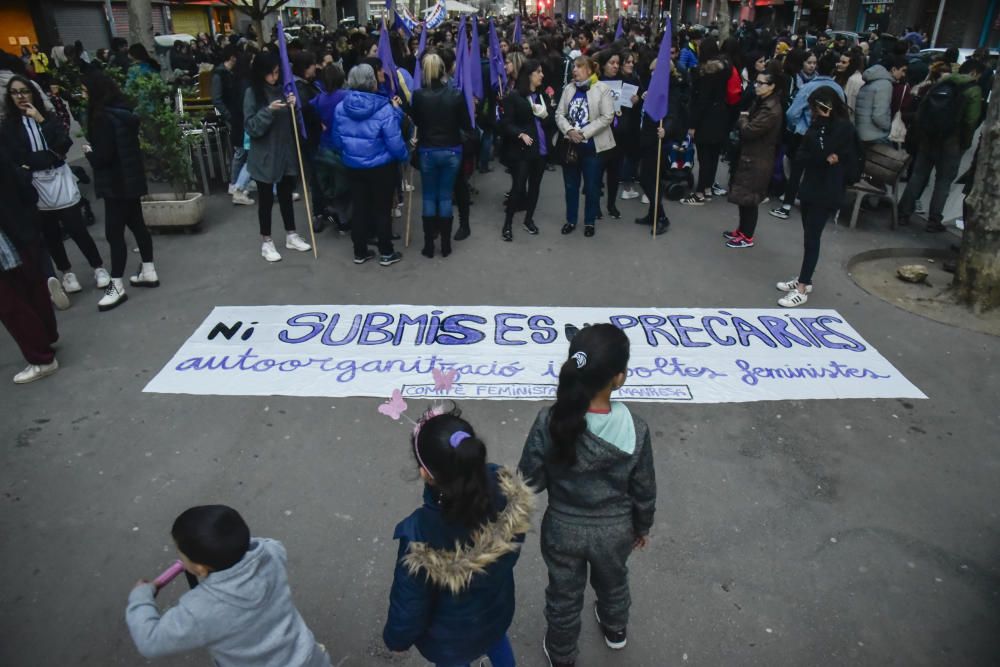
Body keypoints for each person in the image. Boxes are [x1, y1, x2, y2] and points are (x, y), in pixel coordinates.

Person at [518, 323, 656, 667]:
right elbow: (644, 488)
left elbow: (529, 479)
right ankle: (615, 630)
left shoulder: (549, 420)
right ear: (619, 377)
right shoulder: (635, 429)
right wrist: (642, 526)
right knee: (614, 582)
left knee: (563, 595)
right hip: (616, 532)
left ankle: (562, 654)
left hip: (562, 529)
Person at [382, 407, 533, 667]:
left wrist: (396, 640)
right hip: (495, 614)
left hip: (449, 639)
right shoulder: (506, 491)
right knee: (497, 644)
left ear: (425, 473)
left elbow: (410, 604)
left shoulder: (420, 534)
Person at [126, 505, 331, 666]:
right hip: (309, 658)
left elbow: (150, 640)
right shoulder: (271, 554)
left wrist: (141, 597)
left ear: (200, 569)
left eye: (181, 554)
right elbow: (265, 544)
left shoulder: (200, 610)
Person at [1, 76, 108, 298]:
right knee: (51, 233)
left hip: (59, 177)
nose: (21, 96)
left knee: (77, 227)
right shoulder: (9, 126)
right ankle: (66, 272)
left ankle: (98, 267)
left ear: (33, 93)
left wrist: (40, 120)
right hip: (34, 183)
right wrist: (31, 163)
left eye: (25, 91)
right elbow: (13, 156)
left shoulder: (48, 118)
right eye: (15, 92)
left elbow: (63, 143)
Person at [81, 70, 157, 312]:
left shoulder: (102, 118)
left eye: (84, 91)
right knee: (137, 226)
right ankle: (148, 270)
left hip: (116, 185)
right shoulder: (123, 114)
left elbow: (103, 157)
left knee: (115, 235)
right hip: (131, 181)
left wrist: (89, 153)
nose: (82, 95)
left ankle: (116, 286)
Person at [776, 87, 855, 307]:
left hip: (828, 189)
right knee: (808, 234)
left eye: (815, 108)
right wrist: (821, 157)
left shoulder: (843, 128)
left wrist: (820, 154)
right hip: (810, 185)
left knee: (813, 237)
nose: (812, 112)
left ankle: (802, 287)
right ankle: (804, 278)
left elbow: (828, 152)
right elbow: (802, 155)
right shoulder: (816, 126)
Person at [331, 64, 408, 266]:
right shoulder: (384, 108)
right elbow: (394, 141)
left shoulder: (340, 108)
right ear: (372, 82)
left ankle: (360, 251)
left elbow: (337, 141)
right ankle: (386, 252)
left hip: (353, 165)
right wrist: (404, 156)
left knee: (359, 208)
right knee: (382, 209)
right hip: (381, 166)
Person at [898, 60, 985, 233]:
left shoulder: (943, 82)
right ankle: (933, 220)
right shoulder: (973, 91)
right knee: (943, 182)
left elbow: (923, 108)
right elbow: (970, 120)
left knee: (918, 176)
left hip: (929, 138)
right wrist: (965, 143)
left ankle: (903, 213)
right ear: (974, 73)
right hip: (952, 142)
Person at [0, 143, 60, 384]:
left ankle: (41, 357)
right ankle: (46, 338)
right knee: (30, 287)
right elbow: (23, 183)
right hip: (20, 228)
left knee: (10, 301)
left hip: (9, 234)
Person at [244, 52, 312, 263]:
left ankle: (291, 234)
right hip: (264, 156)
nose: (275, 77)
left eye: (277, 73)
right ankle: (267, 241)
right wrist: (268, 111)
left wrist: (294, 106)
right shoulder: (252, 94)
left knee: (286, 196)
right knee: (265, 200)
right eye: (271, 74)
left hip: (286, 153)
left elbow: (295, 124)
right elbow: (251, 127)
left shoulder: (284, 90)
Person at [768, 52, 844, 221]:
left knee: (797, 170)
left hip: (806, 134)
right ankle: (814, 205)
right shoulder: (838, 89)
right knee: (819, 170)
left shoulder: (808, 88)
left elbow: (793, 112)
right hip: (828, 135)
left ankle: (786, 206)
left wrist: (797, 126)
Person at [411, 52, 471, 257]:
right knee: (445, 197)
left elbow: (417, 121)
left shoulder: (418, 96)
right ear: (443, 71)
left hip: (428, 150)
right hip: (452, 150)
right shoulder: (456, 95)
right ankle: (445, 245)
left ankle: (429, 246)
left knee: (429, 196)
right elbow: (465, 124)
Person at [724, 66, 784, 249]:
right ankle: (742, 230)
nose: (756, 86)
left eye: (761, 83)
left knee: (750, 199)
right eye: (756, 82)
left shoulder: (771, 109)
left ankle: (747, 235)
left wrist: (743, 118)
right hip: (751, 155)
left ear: (772, 86)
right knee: (744, 197)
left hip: (758, 158)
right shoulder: (761, 102)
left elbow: (749, 131)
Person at [555, 56, 615, 237]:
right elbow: (559, 114)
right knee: (571, 186)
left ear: (589, 70)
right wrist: (570, 131)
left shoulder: (602, 89)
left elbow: (607, 116)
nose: (575, 70)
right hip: (571, 147)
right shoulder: (569, 89)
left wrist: (583, 133)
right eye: (574, 67)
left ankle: (589, 222)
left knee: (591, 187)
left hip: (593, 149)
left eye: (579, 67)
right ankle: (570, 220)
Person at [498, 58, 554, 242]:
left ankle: (528, 219)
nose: (542, 75)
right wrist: (519, 134)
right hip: (522, 150)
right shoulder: (514, 96)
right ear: (529, 75)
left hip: (541, 150)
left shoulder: (543, 96)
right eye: (538, 72)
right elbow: (506, 124)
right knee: (518, 187)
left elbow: (550, 123)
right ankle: (507, 223)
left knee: (535, 187)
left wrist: (546, 116)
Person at [680, 37, 730, 205]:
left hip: (705, 120)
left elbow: (701, 101)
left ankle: (700, 192)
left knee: (704, 157)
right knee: (714, 156)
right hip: (721, 117)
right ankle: (707, 188)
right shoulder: (724, 70)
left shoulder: (704, 73)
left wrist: (693, 124)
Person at [212, 45, 252, 206]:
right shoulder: (220, 75)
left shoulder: (232, 75)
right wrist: (228, 116)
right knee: (240, 151)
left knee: (241, 151)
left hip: (236, 116)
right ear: (232, 57)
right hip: (234, 117)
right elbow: (217, 99)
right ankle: (235, 183)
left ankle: (237, 184)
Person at [594, 50, 624, 219]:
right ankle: (595, 205)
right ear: (604, 64)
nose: (615, 66)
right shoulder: (597, 83)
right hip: (602, 134)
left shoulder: (623, 81)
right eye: (612, 63)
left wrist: (633, 99)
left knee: (615, 173)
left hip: (618, 135)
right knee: (598, 173)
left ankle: (611, 204)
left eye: (617, 63)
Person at [854, 55, 907, 144]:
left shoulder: (873, 80)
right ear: (894, 69)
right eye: (903, 70)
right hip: (875, 135)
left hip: (861, 132)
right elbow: (879, 116)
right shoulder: (885, 85)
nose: (904, 74)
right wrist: (890, 127)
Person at [835, 49, 865, 120]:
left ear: (852, 64)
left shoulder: (857, 81)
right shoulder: (838, 76)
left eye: (843, 62)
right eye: (839, 61)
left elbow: (852, 106)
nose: (839, 64)